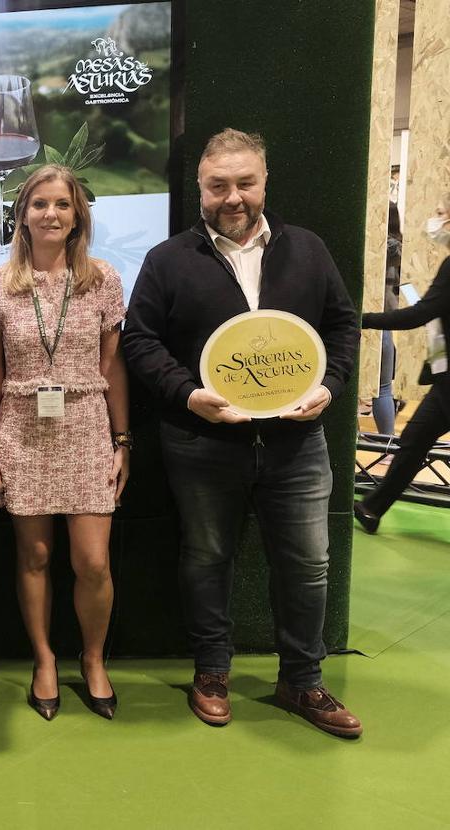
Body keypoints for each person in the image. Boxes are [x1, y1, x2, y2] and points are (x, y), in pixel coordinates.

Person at [124, 129, 361, 737]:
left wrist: (329, 386)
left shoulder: (306, 249)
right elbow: (140, 342)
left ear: (264, 182)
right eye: (218, 185)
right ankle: (211, 673)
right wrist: (188, 396)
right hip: (201, 442)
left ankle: (302, 681)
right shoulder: (168, 259)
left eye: (245, 183)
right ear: (199, 189)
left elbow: (341, 327)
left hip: (297, 443)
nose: (233, 197)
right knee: (206, 558)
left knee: (309, 563)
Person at [0, 164, 130, 722]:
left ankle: (92, 660)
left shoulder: (103, 280)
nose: (51, 214)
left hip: (86, 426)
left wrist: (122, 440)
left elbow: (113, 370)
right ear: (22, 215)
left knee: (92, 563)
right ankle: (43, 659)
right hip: (19, 429)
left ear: (77, 215)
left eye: (62, 204)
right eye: (39, 204)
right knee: (34, 555)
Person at [355, 191, 450, 533]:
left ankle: (372, 507)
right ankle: (372, 508)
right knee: (413, 442)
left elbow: (420, 313)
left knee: (413, 442)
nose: (435, 220)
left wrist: (362, 319)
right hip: (445, 382)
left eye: (441, 212)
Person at [370, 203, 403, 436]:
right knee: (383, 387)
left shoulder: (384, 246)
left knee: (381, 387)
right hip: (385, 320)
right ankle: (387, 445)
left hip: (374, 318)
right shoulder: (399, 247)